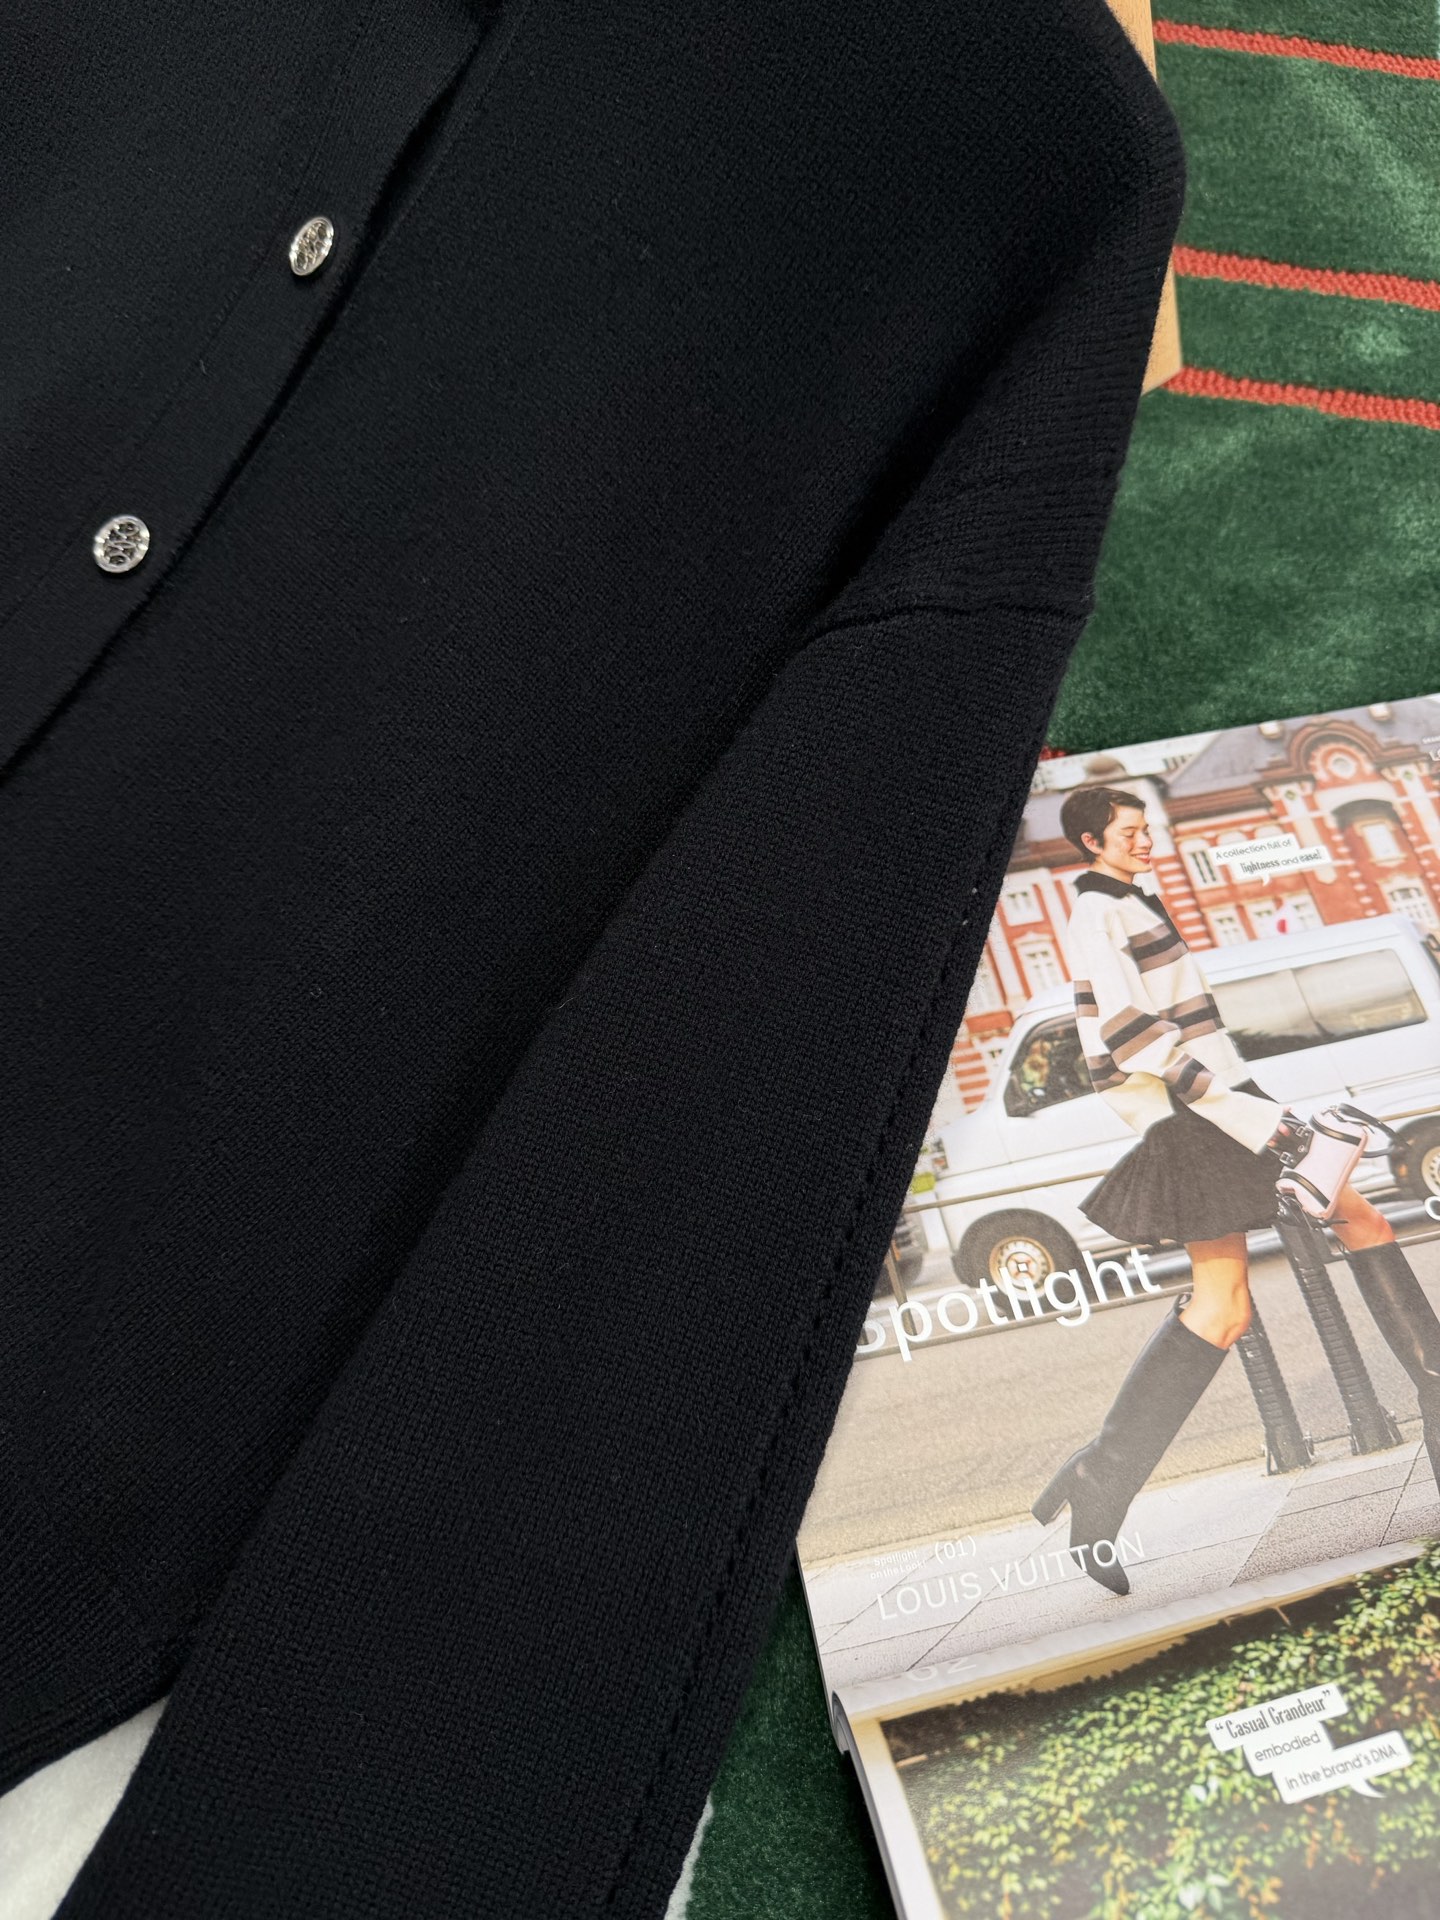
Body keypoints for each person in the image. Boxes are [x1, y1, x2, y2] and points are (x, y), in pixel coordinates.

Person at [1032, 785, 1440, 1595]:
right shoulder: (1097, 913)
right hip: (1201, 1114)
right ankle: (1099, 1477)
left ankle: (1099, 1478)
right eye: (1128, 832)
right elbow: (1127, 1035)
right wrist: (1243, 1110)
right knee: (1275, 1274)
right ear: (1090, 842)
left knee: (1241, 1297)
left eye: (1145, 829)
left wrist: (1243, 1100)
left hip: (1217, 1104)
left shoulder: (1126, 900)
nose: (1145, 840)